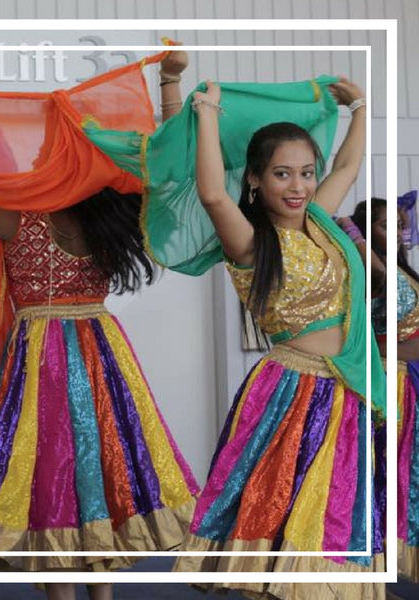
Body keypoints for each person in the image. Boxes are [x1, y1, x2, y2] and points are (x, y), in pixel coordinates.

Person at [0, 50, 198, 600]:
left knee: (56, 478)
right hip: (96, 357)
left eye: (52, 150)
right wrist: (171, 85)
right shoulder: (100, 221)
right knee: (88, 474)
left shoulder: (29, 221)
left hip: (50, 365)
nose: (45, 157)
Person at [172, 76, 386, 599]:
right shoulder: (249, 240)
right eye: (282, 174)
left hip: (345, 390)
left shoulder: (319, 221)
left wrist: (360, 106)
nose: (298, 186)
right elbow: (209, 193)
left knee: (331, 518)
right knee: (280, 519)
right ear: (255, 181)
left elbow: (349, 167)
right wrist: (206, 113)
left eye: (306, 174)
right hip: (289, 393)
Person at [348, 197, 418, 584]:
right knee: (380, 480)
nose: (396, 233)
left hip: (410, 381)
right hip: (387, 383)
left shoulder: (400, 269)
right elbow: (382, 283)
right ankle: (369, 578)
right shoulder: (367, 271)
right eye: (385, 225)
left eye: (400, 225)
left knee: (406, 482)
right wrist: (356, 238)